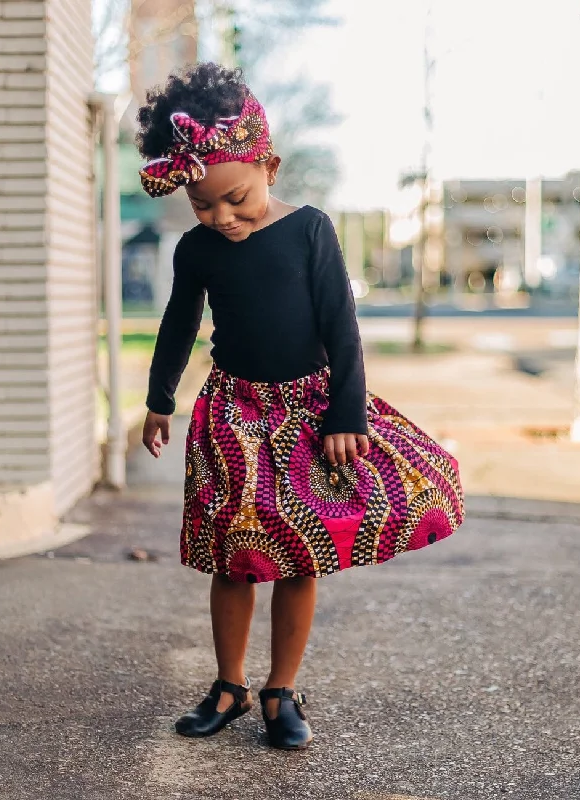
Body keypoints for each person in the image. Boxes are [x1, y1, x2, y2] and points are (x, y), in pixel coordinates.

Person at [137, 63, 465, 751]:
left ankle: (279, 691)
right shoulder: (197, 250)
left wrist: (346, 416)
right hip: (233, 414)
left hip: (308, 411)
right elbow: (178, 323)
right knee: (233, 556)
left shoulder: (310, 229)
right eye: (203, 205)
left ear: (269, 167)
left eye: (236, 198)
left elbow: (341, 326)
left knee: (298, 554)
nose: (222, 217)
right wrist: (159, 400)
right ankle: (229, 686)